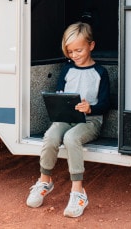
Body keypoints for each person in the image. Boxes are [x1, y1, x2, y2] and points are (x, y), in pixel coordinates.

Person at [26, 21, 111, 218]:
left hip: (90, 121)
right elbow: (61, 93)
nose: (74, 55)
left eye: (78, 50)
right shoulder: (67, 70)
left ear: (91, 46)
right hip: (66, 117)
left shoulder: (100, 73)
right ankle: (44, 181)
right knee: (51, 136)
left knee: (71, 138)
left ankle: (78, 192)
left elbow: (105, 104)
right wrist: (59, 100)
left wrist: (91, 108)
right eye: (70, 52)